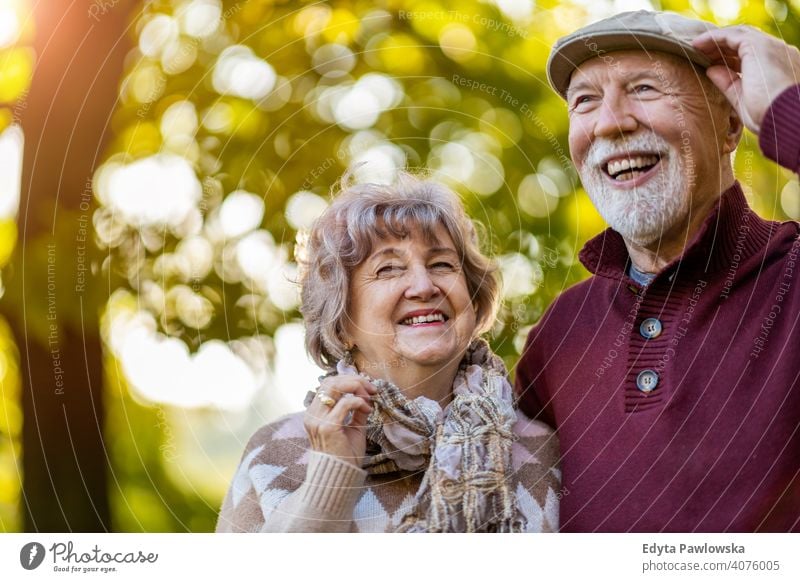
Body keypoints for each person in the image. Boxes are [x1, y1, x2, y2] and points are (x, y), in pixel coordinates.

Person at [515, 10, 800, 532]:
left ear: (731, 124)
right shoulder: (560, 331)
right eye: (585, 100)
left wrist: (785, 109)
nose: (610, 122)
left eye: (645, 88)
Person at [216, 173, 560, 532]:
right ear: (342, 321)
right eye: (389, 268)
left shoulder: (539, 449)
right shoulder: (275, 454)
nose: (424, 286)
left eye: (441, 264)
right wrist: (329, 481)